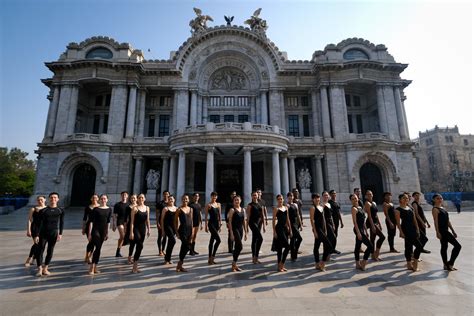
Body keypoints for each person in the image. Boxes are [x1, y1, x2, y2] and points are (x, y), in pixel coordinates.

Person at [34, 192, 65, 277]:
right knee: (40, 250)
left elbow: (62, 222)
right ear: (49, 199)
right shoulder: (43, 210)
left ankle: (45, 268)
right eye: (51, 197)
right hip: (43, 233)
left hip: (54, 232)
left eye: (55, 198)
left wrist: (61, 233)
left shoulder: (60, 210)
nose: (53, 199)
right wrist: (36, 235)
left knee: (50, 251)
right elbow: (38, 223)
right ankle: (39, 269)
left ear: (58, 199)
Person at [432, 194, 462, 271]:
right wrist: (437, 232)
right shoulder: (435, 209)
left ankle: (445, 265)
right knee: (458, 246)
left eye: (441, 198)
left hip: (446, 230)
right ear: (434, 200)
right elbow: (435, 221)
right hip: (442, 231)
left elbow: (447, 221)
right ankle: (450, 263)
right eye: (437, 198)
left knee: (444, 247)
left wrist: (453, 230)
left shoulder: (443, 208)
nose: (440, 199)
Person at [395, 193, 423, 271]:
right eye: (404, 198)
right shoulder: (398, 210)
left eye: (407, 198)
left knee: (409, 246)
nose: (406, 199)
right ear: (400, 199)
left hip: (413, 229)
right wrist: (401, 232)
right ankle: (414, 264)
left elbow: (414, 220)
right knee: (416, 246)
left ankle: (409, 264)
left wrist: (417, 229)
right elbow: (398, 223)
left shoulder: (410, 208)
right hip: (405, 229)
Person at [87, 194, 112, 275]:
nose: (103, 200)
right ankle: (92, 267)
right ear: (99, 200)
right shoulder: (96, 209)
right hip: (95, 230)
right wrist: (90, 233)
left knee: (98, 249)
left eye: (104, 199)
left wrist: (107, 232)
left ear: (107, 200)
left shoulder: (109, 209)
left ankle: (95, 266)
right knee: (97, 247)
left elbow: (108, 222)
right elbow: (91, 222)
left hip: (103, 231)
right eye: (102, 199)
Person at [310, 193, 332, 271]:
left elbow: (323, 219)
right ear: (313, 199)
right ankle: (322, 263)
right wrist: (314, 231)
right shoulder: (313, 208)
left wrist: (325, 229)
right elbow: (312, 220)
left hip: (322, 228)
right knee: (328, 245)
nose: (317, 199)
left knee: (316, 246)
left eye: (318, 198)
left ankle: (317, 264)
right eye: (315, 198)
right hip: (317, 228)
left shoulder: (321, 207)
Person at [350, 194, 373, 270]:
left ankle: (357, 264)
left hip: (362, 229)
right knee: (370, 246)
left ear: (358, 198)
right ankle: (363, 262)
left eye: (355, 198)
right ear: (351, 201)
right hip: (358, 229)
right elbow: (354, 222)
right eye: (353, 199)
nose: (355, 200)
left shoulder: (360, 207)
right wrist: (358, 232)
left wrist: (366, 230)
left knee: (357, 246)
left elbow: (363, 221)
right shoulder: (354, 209)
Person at [129, 194, 150, 273]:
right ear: (137, 199)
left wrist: (149, 229)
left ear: (144, 199)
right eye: (139, 197)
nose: (141, 199)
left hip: (143, 230)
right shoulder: (135, 208)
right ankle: (134, 265)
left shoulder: (147, 208)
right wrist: (131, 232)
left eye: (142, 197)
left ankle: (135, 265)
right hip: (136, 229)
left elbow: (147, 220)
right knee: (140, 245)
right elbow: (132, 222)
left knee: (139, 247)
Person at [25, 196, 46, 266]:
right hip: (35, 228)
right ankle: (29, 258)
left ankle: (35, 259)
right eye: (38, 200)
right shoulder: (33, 209)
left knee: (42, 245)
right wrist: (28, 230)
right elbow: (29, 220)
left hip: (44, 228)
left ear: (45, 200)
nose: (40, 201)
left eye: (41, 199)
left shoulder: (47, 209)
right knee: (36, 244)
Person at [364, 190, 385, 261]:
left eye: (370, 194)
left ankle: (373, 255)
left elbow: (376, 214)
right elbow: (369, 216)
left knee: (372, 239)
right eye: (368, 194)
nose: (369, 195)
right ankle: (376, 253)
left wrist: (380, 224)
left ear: (372, 195)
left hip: (376, 222)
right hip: (371, 222)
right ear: (366, 196)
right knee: (382, 237)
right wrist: (372, 226)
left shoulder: (374, 203)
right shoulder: (367, 203)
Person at [272, 194, 291, 272]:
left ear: (283, 199)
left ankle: (281, 265)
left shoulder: (286, 208)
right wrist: (274, 232)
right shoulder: (276, 209)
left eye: (281, 199)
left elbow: (288, 219)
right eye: (279, 199)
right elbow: (273, 221)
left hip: (285, 228)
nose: (280, 200)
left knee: (283, 247)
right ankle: (280, 264)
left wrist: (290, 230)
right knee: (284, 247)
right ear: (277, 200)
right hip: (279, 228)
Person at [228, 195, 247, 272]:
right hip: (235, 229)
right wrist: (231, 233)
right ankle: (234, 263)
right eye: (235, 200)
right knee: (240, 247)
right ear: (233, 201)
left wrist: (246, 232)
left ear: (240, 200)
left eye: (238, 200)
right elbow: (229, 222)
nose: (236, 201)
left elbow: (244, 222)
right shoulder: (232, 210)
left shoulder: (243, 210)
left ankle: (234, 265)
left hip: (241, 230)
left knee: (237, 247)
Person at [175, 195, 193, 272]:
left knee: (184, 247)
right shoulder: (179, 209)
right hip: (182, 230)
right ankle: (180, 263)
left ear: (188, 200)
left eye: (186, 199)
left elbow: (191, 221)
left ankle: (180, 265)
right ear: (182, 200)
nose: (185, 200)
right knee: (187, 246)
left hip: (189, 230)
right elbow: (175, 221)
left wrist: (192, 232)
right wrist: (176, 232)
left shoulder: (191, 209)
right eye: (184, 199)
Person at [246, 191, 265, 264]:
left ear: (258, 196)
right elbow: (248, 216)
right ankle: (255, 257)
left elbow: (262, 215)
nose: (254, 196)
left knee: (255, 239)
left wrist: (264, 226)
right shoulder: (250, 205)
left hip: (259, 222)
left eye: (256, 195)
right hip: (252, 223)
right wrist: (247, 226)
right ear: (251, 196)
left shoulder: (260, 204)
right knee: (260, 238)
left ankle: (254, 258)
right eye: (253, 195)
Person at [82, 194, 99, 264]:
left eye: (95, 198)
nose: (94, 199)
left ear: (98, 199)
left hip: (97, 225)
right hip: (89, 225)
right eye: (93, 198)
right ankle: (88, 256)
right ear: (91, 199)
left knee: (94, 242)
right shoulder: (88, 207)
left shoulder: (99, 207)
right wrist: (83, 228)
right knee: (91, 242)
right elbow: (85, 218)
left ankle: (88, 256)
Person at [205, 192, 222, 264]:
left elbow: (220, 215)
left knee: (212, 240)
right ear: (211, 196)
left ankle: (210, 259)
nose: (214, 197)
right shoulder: (208, 205)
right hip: (211, 224)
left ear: (217, 197)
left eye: (215, 196)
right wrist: (205, 226)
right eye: (213, 196)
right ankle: (212, 257)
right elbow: (206, 216)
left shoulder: (218, 204)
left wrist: (220, 223)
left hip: (217, 224)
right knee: (218, 240)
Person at [287, 192, 303, 261]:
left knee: (293, 240)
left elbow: (298, 215)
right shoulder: (286, 205)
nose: (290, 197)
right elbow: (286, 216)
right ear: (287, 197)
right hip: (291, 223)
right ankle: (294, 253)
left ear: (293, 197)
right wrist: (288, 226)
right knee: (299, 238)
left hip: (296, 223)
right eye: (289, 196)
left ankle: (293, 256)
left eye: (291, 196)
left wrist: (301, 224)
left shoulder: (295, 205)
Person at [161, 195, 177, 265]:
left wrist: (177, 229)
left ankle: (168, 258)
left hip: (174, 227)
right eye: (169, 199)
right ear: (168, 200)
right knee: (173, 241)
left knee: (170, 242)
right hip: (167, 226)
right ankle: (167, 257)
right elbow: (162, 220)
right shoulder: (165, 209)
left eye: (172, 199)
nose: (171, 200)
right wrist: (163, 230)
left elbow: (177, 220)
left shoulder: (176, 209)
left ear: (174, 200)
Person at [113, 191, 129, 258]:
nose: (124, 196)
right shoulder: (117, 204)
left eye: (125, 195)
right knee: (122, 236)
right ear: (121, 196)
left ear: (127, 196)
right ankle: (122, 245)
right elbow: (114, 215)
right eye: (122, 195)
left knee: (122, 238)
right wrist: (114, 224)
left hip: (126, 222)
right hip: (119, 221)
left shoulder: (129, 205)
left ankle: (118, 252)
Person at [321, 191, 337, 257]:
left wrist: (333, 224)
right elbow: (322, 216)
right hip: (326, 223)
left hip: (330, 222)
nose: (326, 196)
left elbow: (331, 215)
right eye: (325, 195)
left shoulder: (329, 204)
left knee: (331, 238)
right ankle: (328, 253)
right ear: (322, 197)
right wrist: (324, 226)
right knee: (332, 238)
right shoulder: (322, 205)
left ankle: (328, 254)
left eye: (327, 195)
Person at [328, 190, 343, 254]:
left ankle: (333, 248)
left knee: (336, 235)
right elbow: (330, 214)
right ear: (330, 195)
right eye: (332, 193)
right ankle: (329, 249)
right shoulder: (329, 203)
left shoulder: (336, 202)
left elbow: (339, 212)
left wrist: (341, 221)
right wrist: (332, 223)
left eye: (335, 193)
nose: (334, 195)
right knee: (332, 236)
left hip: (337, 221)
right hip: (332, 222)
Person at [156, 191, 170, 256]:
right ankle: (160, 250)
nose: (166, 195)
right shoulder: (160, 203)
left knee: (165, 237)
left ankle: (163, 249)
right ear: (163, 195)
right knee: (160, 236)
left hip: (167, 222)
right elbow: (157, 213)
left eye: (167, 194)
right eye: (164, 194)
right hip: (161, 221)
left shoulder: (170, 203)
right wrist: (157, 223)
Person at [125, 194, 137, 264]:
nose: (133, 199)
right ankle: (130, 257)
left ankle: (135, 257)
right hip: (131, 225)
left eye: (134, 198)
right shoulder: (128, 207)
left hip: (138, 225)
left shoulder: (139, 206)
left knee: (137, 242)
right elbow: (126, 218)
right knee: (132, 242)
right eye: (132, 198)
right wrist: (126, 227)